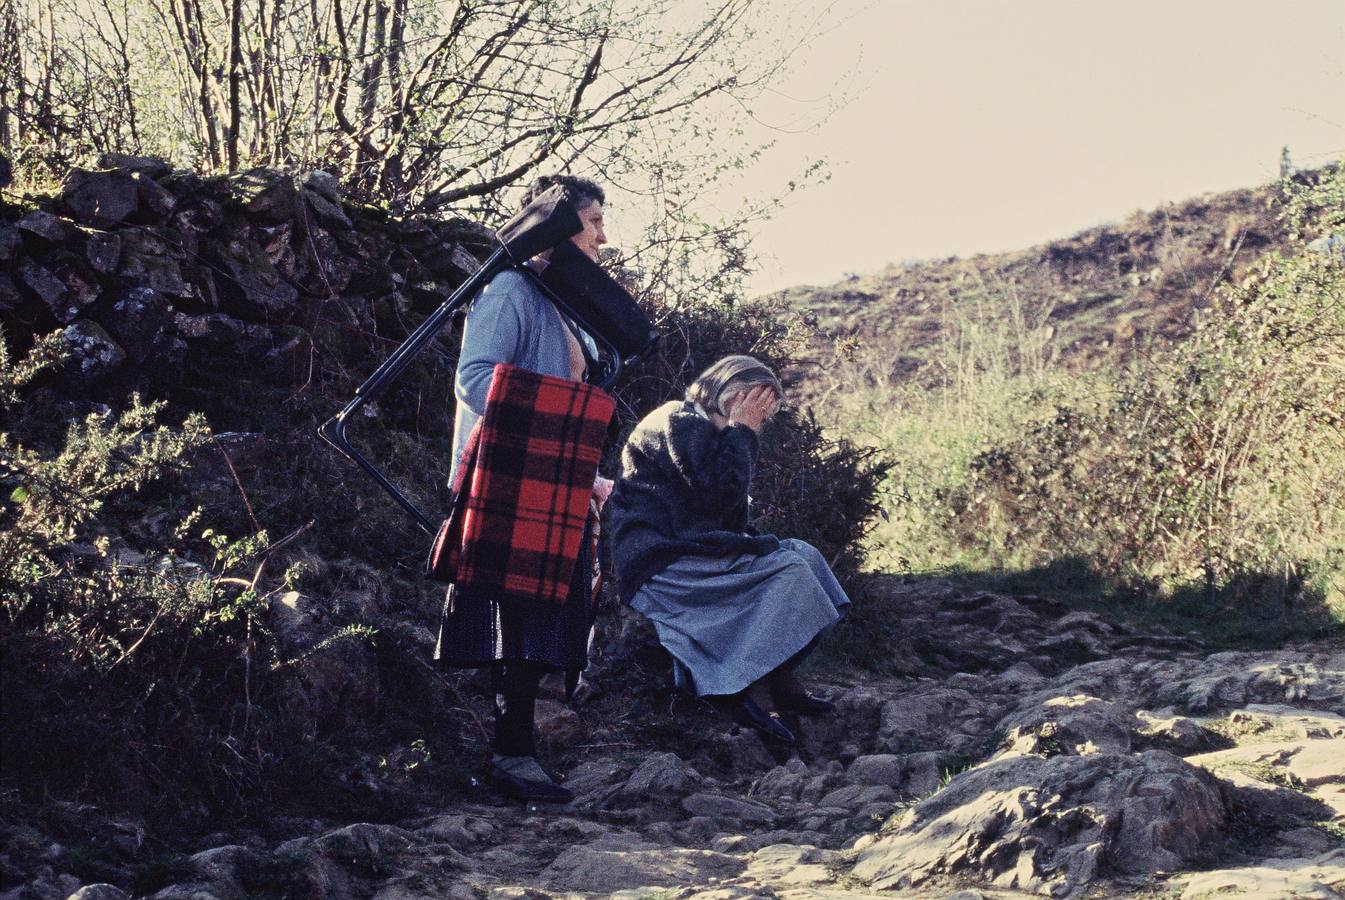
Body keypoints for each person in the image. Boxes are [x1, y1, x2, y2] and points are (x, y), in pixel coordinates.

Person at [434, 174, 612, 803]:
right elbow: (475, 378)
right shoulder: (510, 289)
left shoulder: (559, 298)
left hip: (553, 477)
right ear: (560, 224)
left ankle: (518, 752)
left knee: (544, 615)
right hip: (510, 475)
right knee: (519, 616)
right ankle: (511, 755)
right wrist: (556, 423)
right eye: (592, 222)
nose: (601, 237)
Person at [607, 355, 851, 744]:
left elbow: (727, 518)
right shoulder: (677, 420)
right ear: (731, 396)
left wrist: (737, 435)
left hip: (692, 552)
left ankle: (778, 676)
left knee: (804, 555)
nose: (759, 420)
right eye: (755, 406)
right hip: (662, 565)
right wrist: (742, 431)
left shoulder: (712, 433)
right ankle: (748, 688)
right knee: (789, 571)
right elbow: (718, 495)